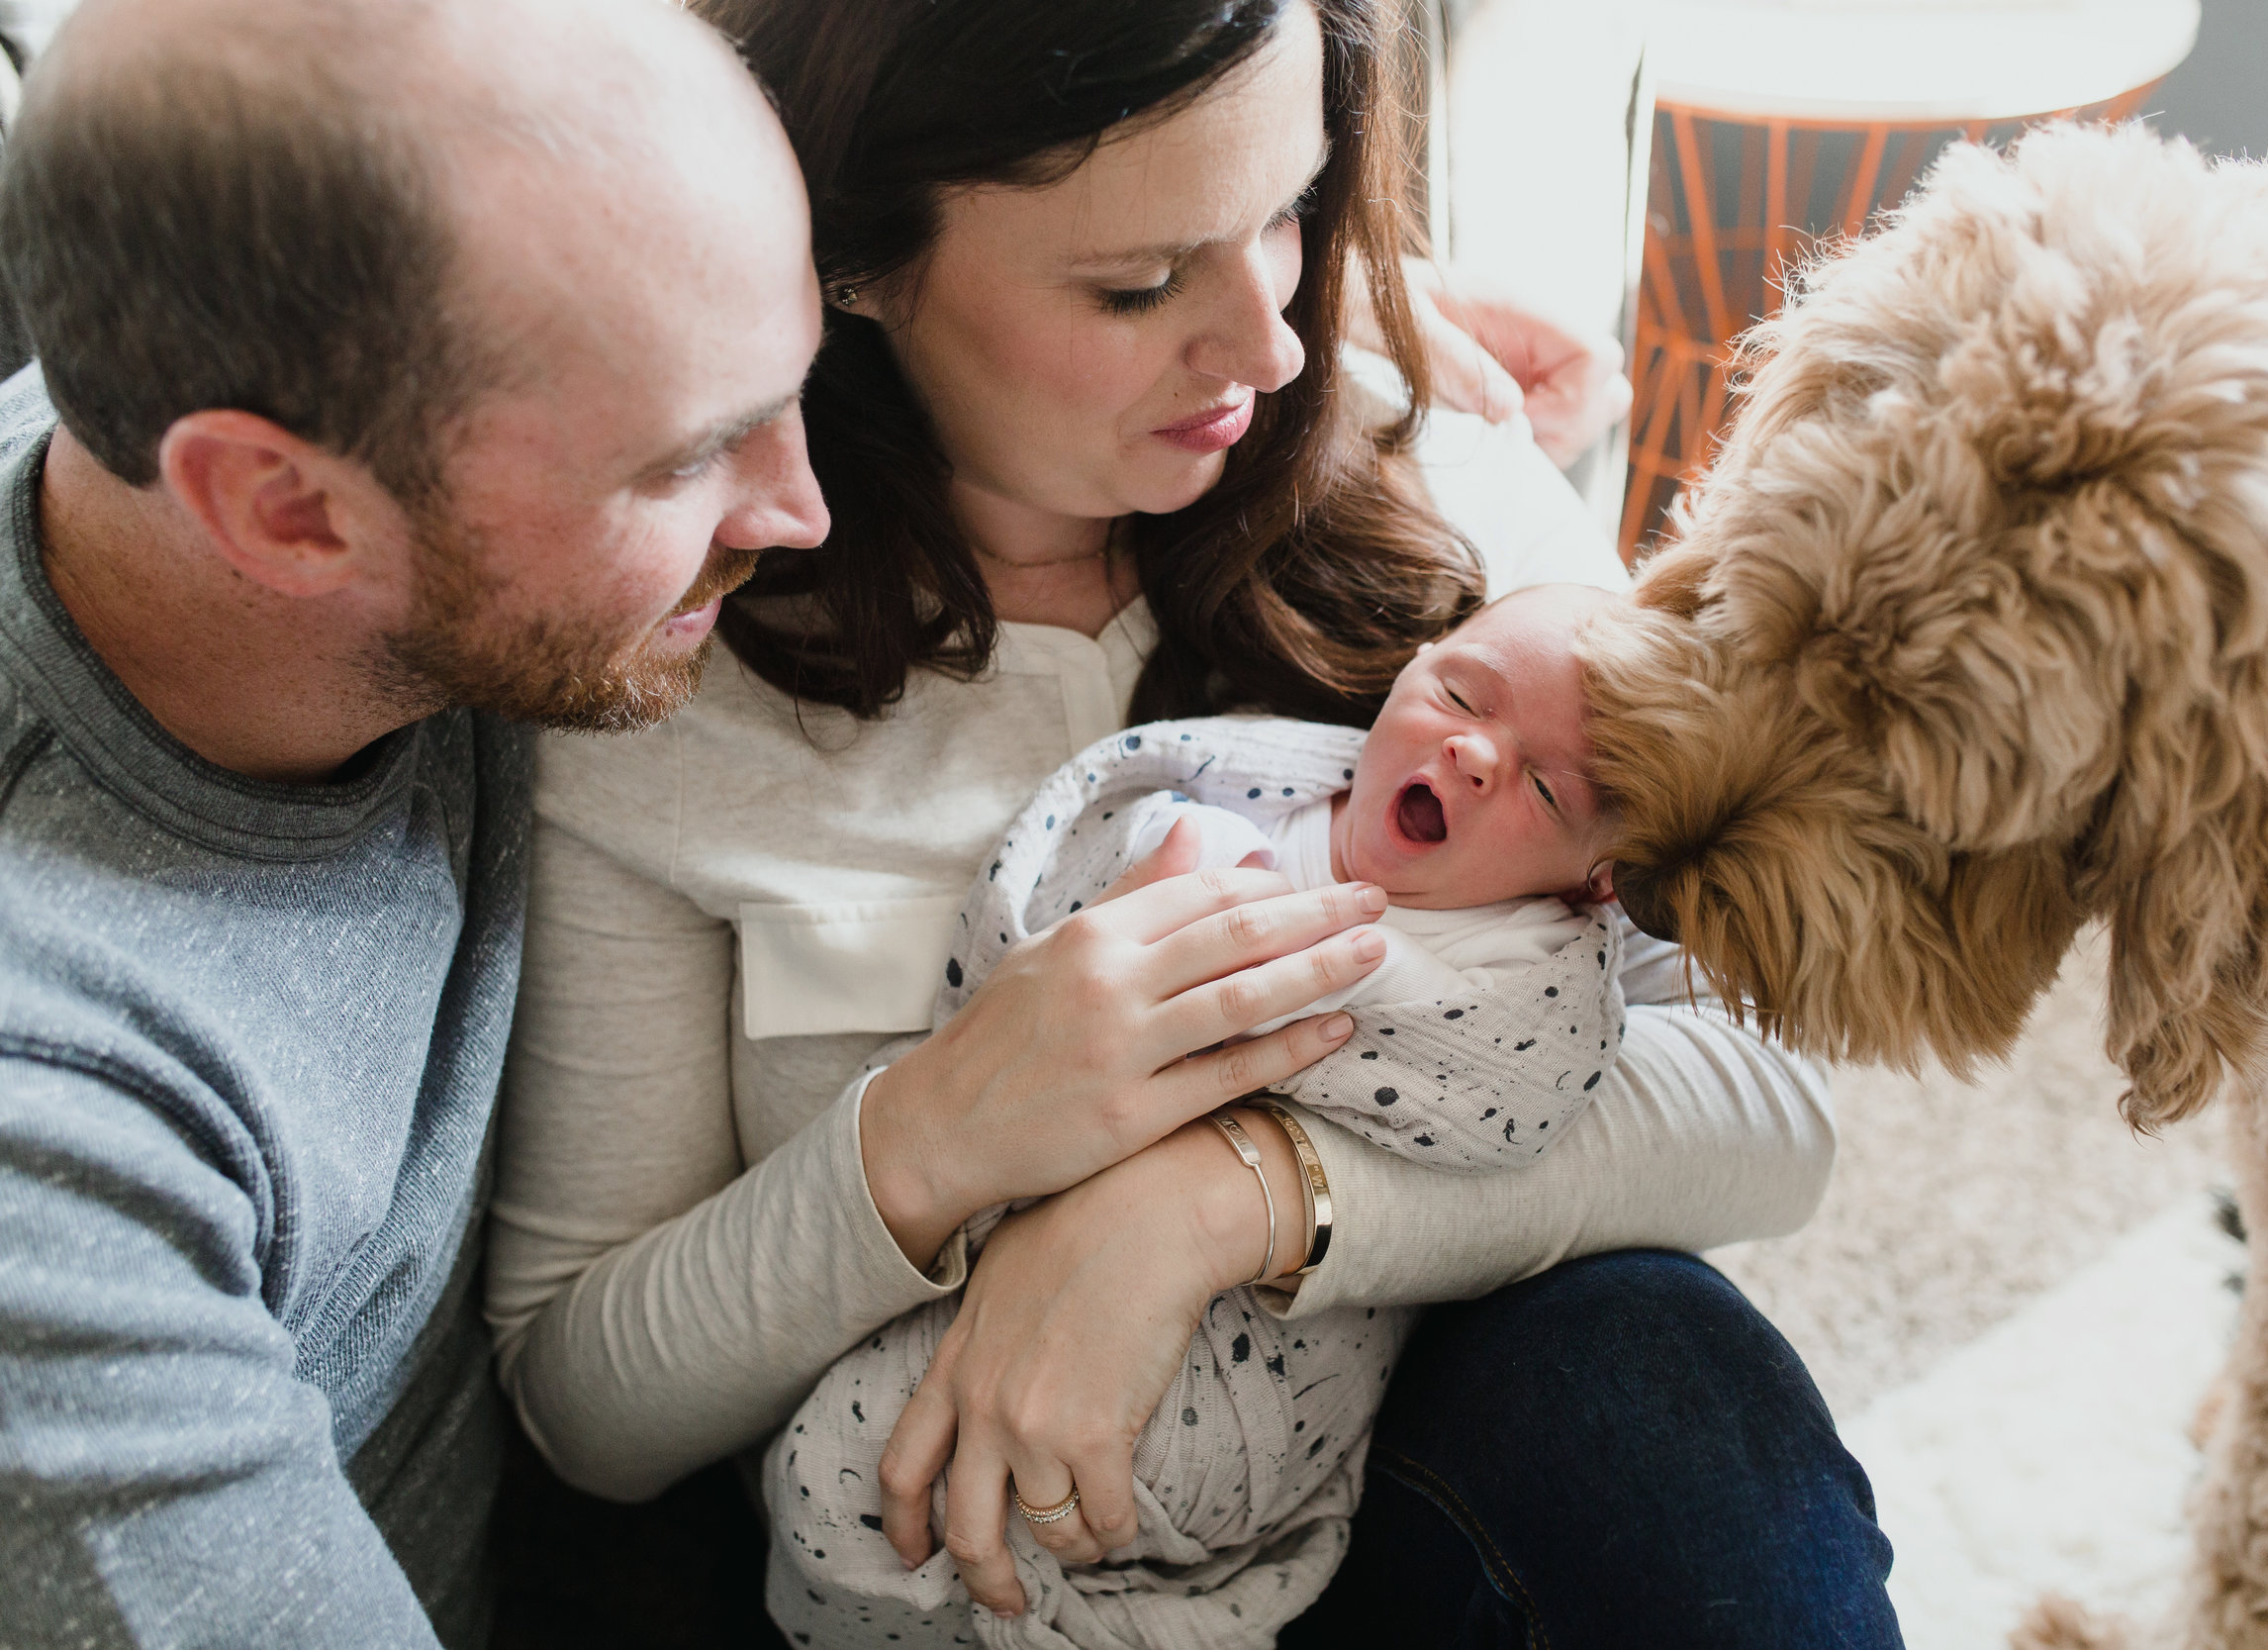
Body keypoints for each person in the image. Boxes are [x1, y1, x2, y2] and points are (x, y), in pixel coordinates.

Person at [487, 1, 1904, 1645]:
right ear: (847, 256)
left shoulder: (1451, 503)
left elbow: (1767, 1099)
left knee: (1674, 1387)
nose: (1275, 347)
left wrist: (1225, 1198)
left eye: (1287, 215)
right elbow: (583, 1394)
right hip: (941, 1563)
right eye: (1138, 282)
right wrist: (934, 1136)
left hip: (1412, 1474)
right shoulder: (669, 686)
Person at [0, 0, 827, 1642]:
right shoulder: (52, 1157)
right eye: (684, 462)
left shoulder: (345, 365)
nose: (799, 507)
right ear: (289, 508)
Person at [771, 584, 1633, 1646]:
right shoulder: (1233, 788)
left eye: (1544, 790)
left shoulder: (1518, 962)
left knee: (882, 1467)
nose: (1474, 754)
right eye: (1459, 694)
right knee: (853, 1473)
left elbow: (1516, 1100)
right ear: (1413, 664)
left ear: (1595, 886)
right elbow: (1045, 910)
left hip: (1251, 1354)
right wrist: (1153, 865)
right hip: (1014, 1187)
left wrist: (1234, 1150)